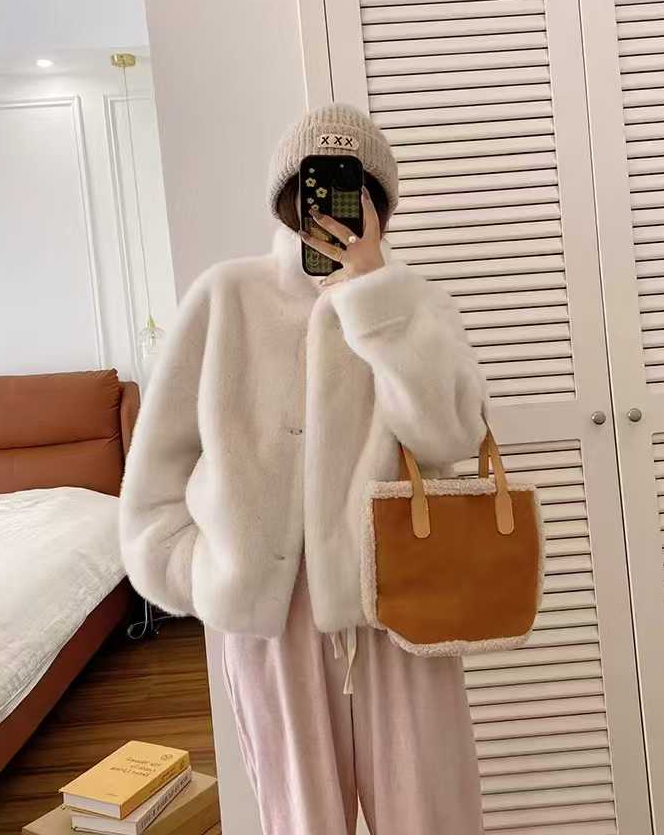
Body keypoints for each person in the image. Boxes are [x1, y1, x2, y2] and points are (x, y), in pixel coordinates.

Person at [119, 103, 490, 834]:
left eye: (354, 191)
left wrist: (374, 301)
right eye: (313, 189)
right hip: (271, 618)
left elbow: (451, 437)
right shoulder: (226, 294)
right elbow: (158, 464)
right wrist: (200, 570)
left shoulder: (413, 304)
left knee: (432, 816)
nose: (330, 210)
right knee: (300, 821)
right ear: (285, 199)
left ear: (379, 207)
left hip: (397, 602)